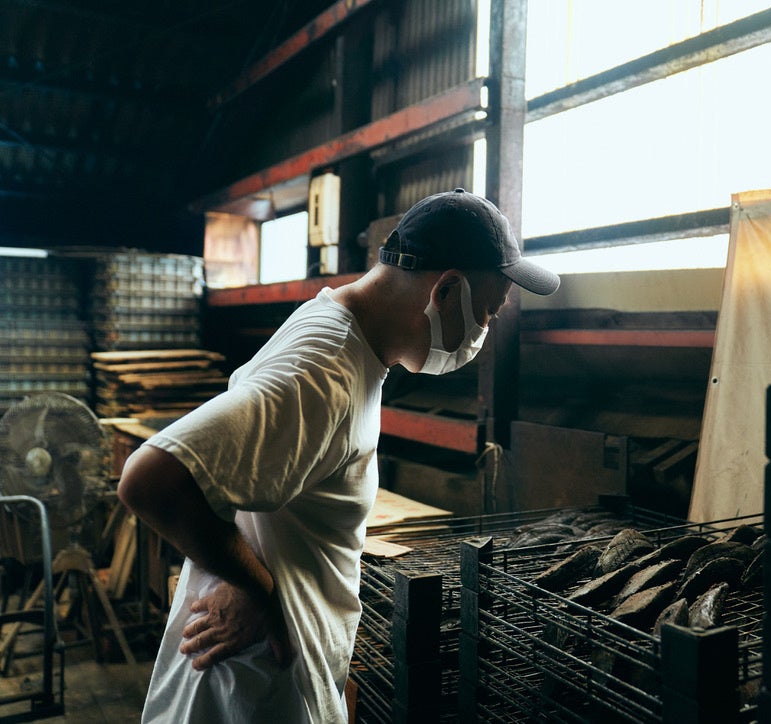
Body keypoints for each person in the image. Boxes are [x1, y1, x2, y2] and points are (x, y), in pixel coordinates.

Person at [117, 188, 560, 723]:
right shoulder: (323, 373)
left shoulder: (341, 329)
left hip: (267, 675)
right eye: (487, 314)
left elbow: (247, 472)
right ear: (445, 291)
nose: (481, 334)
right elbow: (152, 478)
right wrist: (258, 589)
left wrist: (251, 565)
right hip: (258, 689)